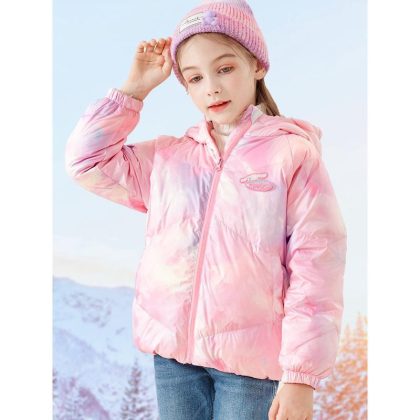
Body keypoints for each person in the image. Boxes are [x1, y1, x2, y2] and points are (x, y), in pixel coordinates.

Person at [64, 1, 347, 419]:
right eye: (195, 77)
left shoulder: (291, 154)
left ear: (257, 65)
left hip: (249, 367)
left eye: (225, 68)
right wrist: (134, 89)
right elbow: (85, 162)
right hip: (174, 359)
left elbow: (316, 266)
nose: (211, 87)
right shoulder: (170, 157)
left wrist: (301, 377)